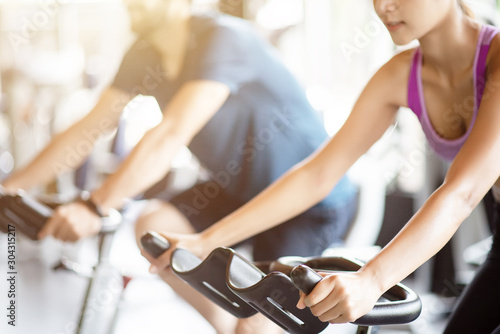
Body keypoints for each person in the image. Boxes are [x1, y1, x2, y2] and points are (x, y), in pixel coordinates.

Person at [1, 0, 358, 332]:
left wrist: (95, 205)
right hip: (237, 189)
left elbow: (170, 134)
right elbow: (92, 126)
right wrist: (9, 188)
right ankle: (233, 327)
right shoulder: (144, 52)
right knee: (157, 230)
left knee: (261, 324)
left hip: (305, 203)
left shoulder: (224, 38)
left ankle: (248, 328)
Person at [147, 0, 500, 333]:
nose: (383, 6)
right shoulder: (399, 75)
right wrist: (204, 241)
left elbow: (462, 193)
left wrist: (373, 280)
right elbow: (318, 174)